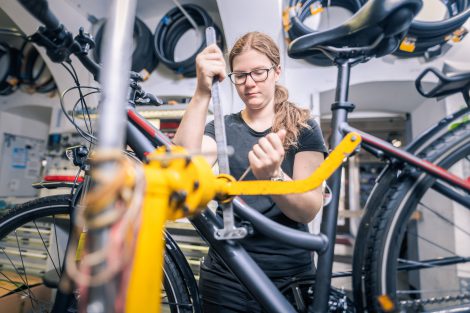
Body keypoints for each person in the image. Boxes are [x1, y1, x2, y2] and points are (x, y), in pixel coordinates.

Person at [173, 31, 328, 312]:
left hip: (289, 275)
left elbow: (307, 210)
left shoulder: (303, 128)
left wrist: (274, 176)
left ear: (277, 71)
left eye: (259, 72)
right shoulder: (221, 129)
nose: (249, 83)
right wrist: (201, 92)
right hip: (228, 273)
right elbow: (181, 165)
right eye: (240, 75)